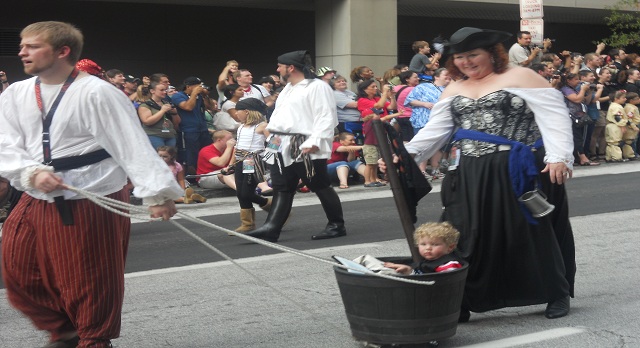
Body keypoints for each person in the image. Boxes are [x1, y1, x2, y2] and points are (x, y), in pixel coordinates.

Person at [0, 21, 180, 348]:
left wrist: (158, 193)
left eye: (32, 45)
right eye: (22, 45)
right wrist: (28, 172)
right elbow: (3, 140)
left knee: (89, 281)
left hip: (91, 194)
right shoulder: (17, 92)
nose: (22, 51)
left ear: (62, 51)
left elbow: (131, 144)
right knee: (20, 272)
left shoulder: (98, 92)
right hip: (35, 191)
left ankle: (93, 340)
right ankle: (66, 331)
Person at [384, 27, 576, 322]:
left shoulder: (521, 76)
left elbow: (554, 116)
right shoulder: (454, 88)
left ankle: (554, 292)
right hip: (468, 171)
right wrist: (404, 156)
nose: (466, 62)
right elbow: (435, 132)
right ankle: (459, 299)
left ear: (492, 53)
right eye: (460, 57)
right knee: (462, 234)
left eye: (473, 54)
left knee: (527, 233)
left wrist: (559, 157)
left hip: (517, 169)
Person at [246, 50, 347, 242]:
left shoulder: (317, 86)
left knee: (319, 184)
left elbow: (326, 116)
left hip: (303, 142)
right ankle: (271, 227)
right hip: (279, 141)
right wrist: (270, 139)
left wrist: (316, 141)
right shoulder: (288, 88)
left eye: (280, 66)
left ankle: (336, 225)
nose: (277, 69)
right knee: (282, 186)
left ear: (290, 67)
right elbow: (280, 117)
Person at [232, 98, 272, 232]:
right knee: (240, 193)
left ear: (247, 112)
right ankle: (247, 224)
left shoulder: (262, 126)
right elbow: (237, 147)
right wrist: (231, 164)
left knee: (246, 193)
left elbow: (276, 142)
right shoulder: (241, 127)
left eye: (239, 111)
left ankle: (272, 207)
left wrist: (265, 156)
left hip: (251, 161)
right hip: (240, 161)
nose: (236, 114)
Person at [357, 78, 398, 188]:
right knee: (370, 162)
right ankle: (367, 180)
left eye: (376, 86)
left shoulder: (377, 98)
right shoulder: (362, 100)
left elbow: (391, 107)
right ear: (365, 90)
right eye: (373, 87)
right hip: (371, 130)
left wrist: (392, 96)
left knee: (375, 160)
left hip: (382, 129)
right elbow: (378, 106)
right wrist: (384, 92)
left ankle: (374, 179)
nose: (376, 89)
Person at [384, 222, 463, 275]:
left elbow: (444, 281)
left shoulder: (449, 264)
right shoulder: (426, 261)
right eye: (423, 244)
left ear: (450, 247)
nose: (428, 248)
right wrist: (409, 270)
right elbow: (420, 274)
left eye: (435, 244)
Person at [171, 76, 212, 175]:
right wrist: (194, 94)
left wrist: (205, 96)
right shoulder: (178, 96)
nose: (200, 88)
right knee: (189, 155)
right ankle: (188, 177)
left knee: (206, 152)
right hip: (188, 130)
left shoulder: (199, 96)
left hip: (202, 129)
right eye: (198, 86)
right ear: (188, 87)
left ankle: (204, 173)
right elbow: (188, 107)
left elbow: (209, 107)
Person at [138, 81, 178, 149]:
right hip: (154, 135)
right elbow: (147, 121)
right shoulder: (145, 105)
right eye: (161, 90)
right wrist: (162, 111)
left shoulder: (167, 103)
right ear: (152, 91)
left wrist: (174, 113)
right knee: (159, 156)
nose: (165, 92)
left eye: (165, 90)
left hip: (170, 135)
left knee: (170, 158)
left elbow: (177, 122)